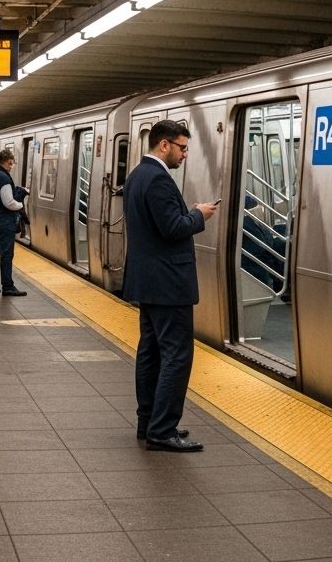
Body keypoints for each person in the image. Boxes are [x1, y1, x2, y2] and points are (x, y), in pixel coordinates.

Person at [122, 120, 217, 453]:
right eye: (182, 147)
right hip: (168, 283)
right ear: (164, 145)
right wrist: (198, 215)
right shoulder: (159, 179)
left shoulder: (136, 176)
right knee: (176, 354)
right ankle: (163, 429)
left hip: (148, 280)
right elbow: (172, 228)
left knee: (151, 351)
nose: (184, 154)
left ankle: (148, 422)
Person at [0, 150, 27, 297]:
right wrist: (21, 205)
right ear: (4, 161)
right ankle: (8, 286)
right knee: (7, 255)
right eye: (10, 163)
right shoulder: (3, 178)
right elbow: (9, 203)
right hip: (4, 222)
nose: (11, 167)